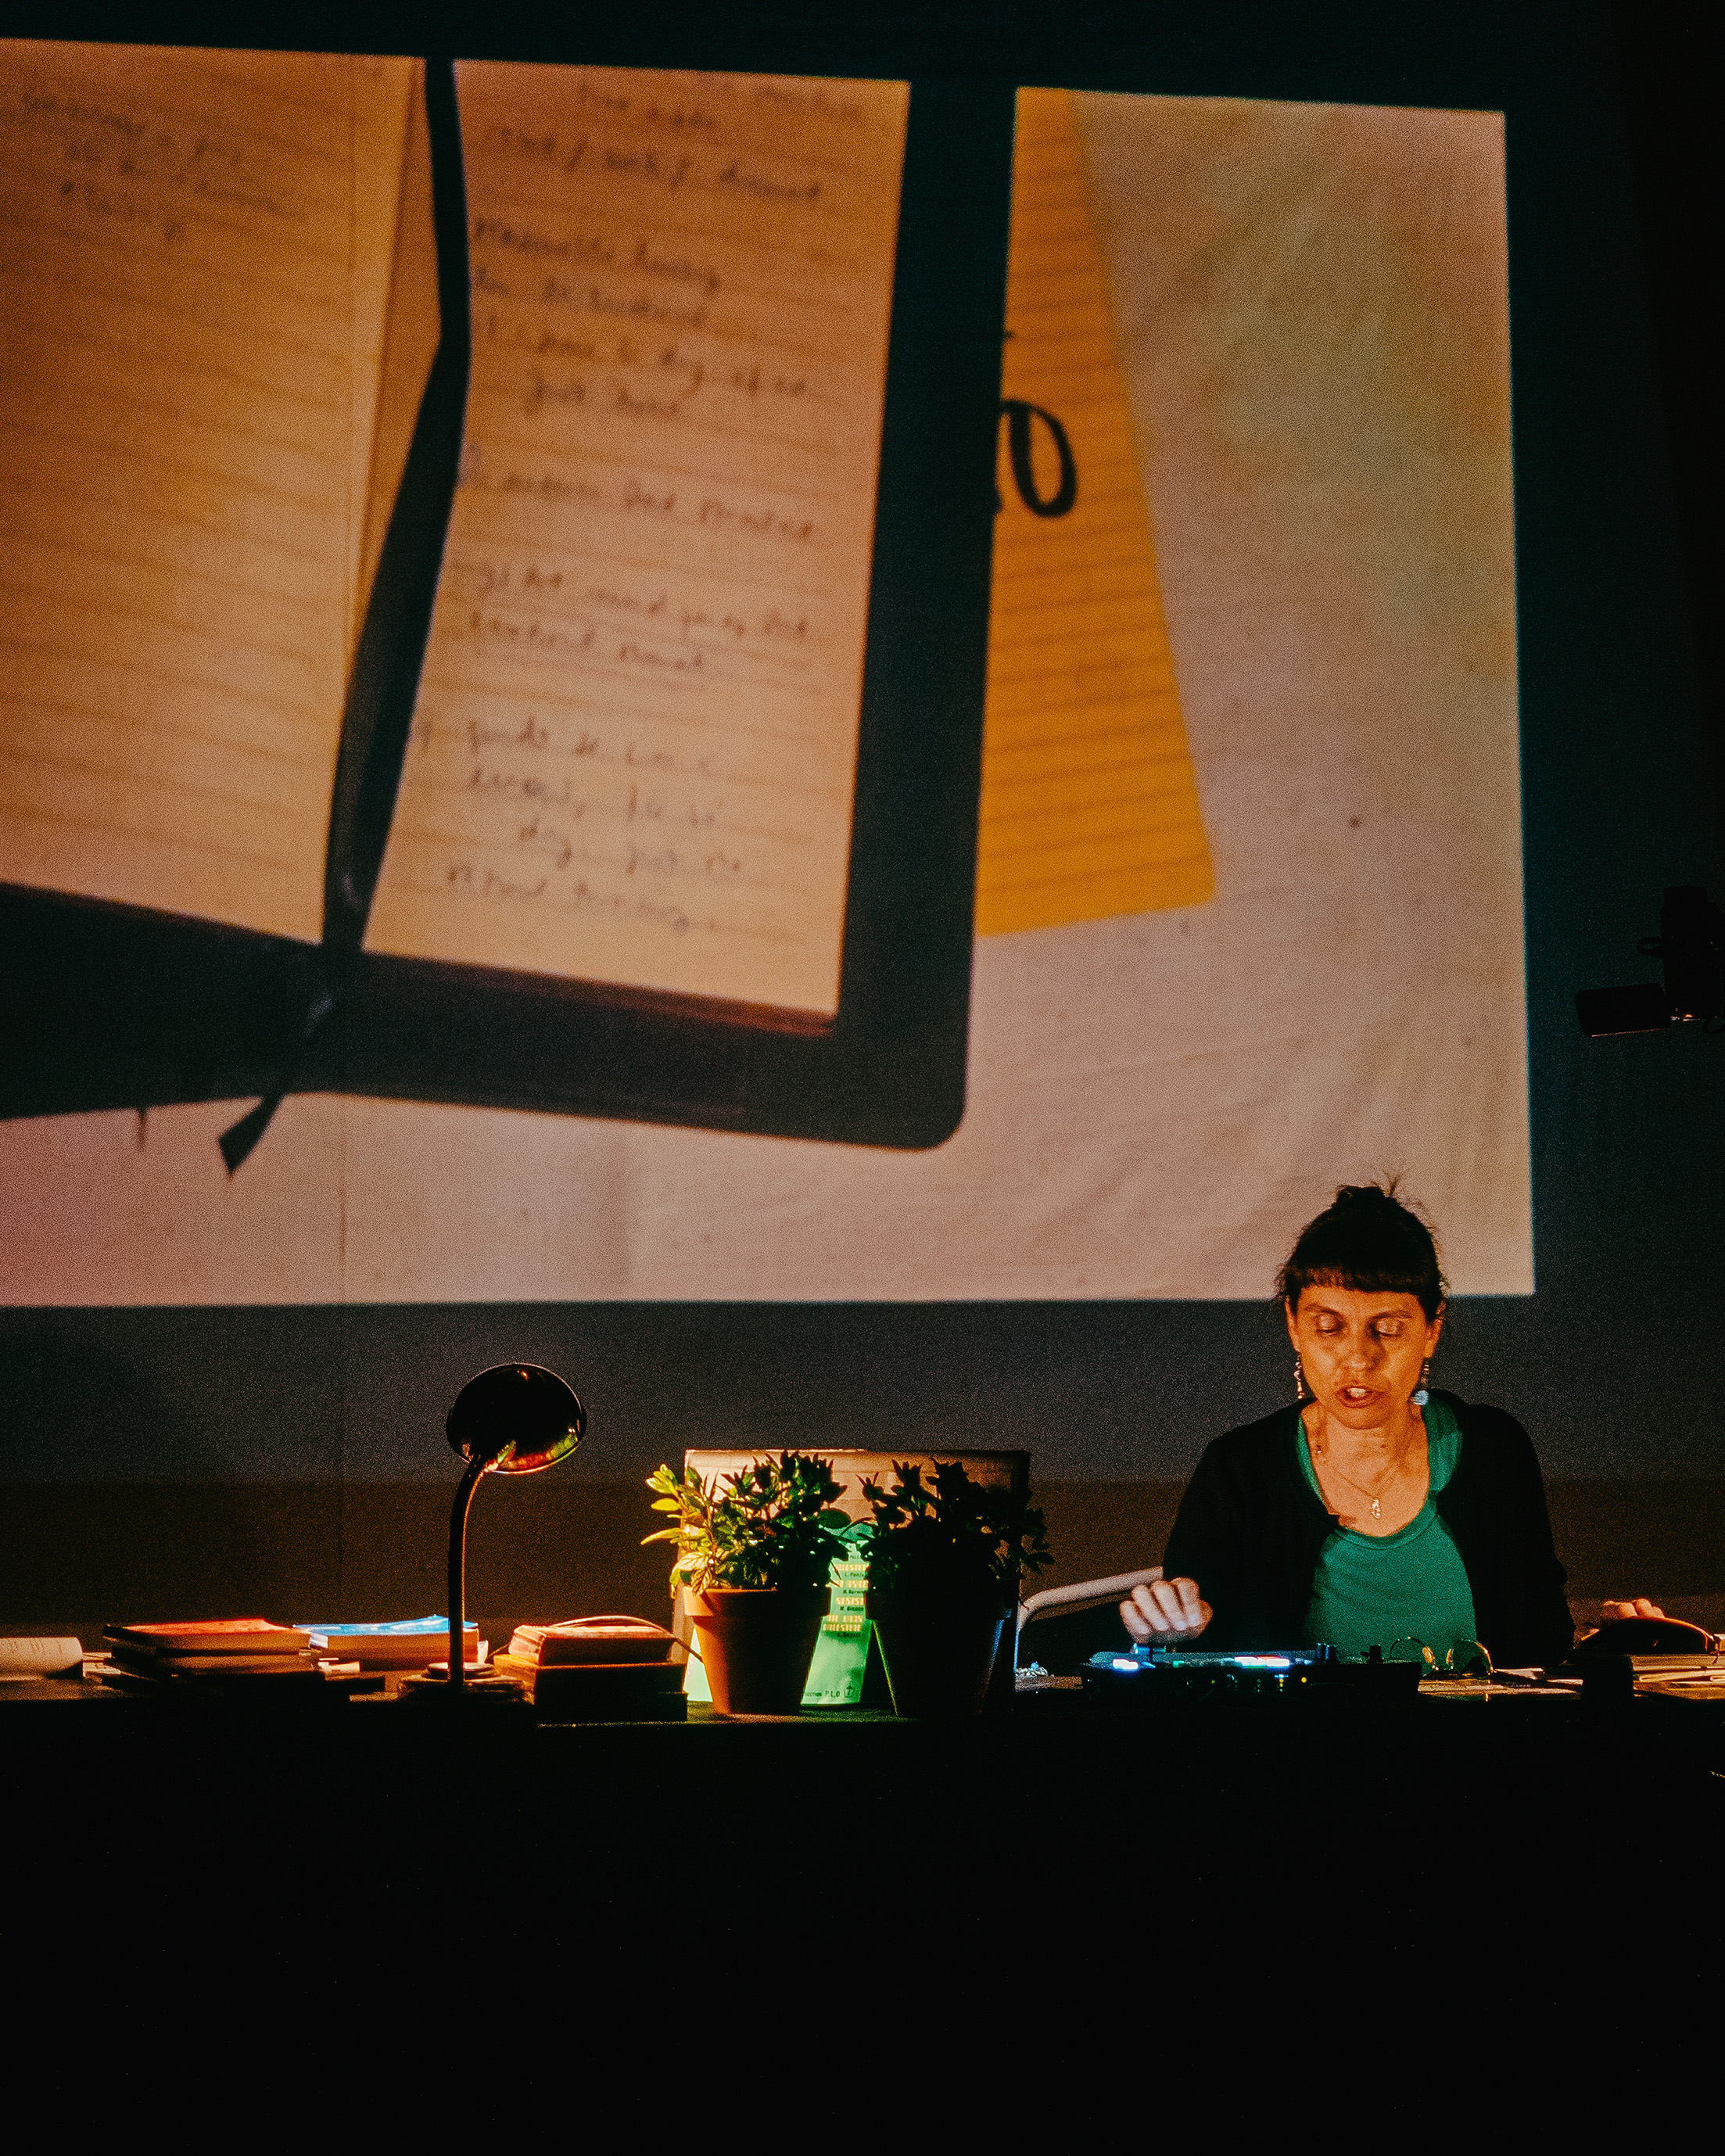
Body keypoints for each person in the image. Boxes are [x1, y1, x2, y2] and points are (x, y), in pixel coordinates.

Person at [1121, 1182, 1662, 1668]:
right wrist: (1171, 1631)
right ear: (1293, 1324)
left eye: (1387, 1329)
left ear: (1432, 1330)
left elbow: (1542, 1649)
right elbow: (1198, 1657)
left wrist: (1610, 1642)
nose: (1358, 1358)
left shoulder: (1492, 1451)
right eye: (1329, 1328)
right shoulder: (1242, 1468)